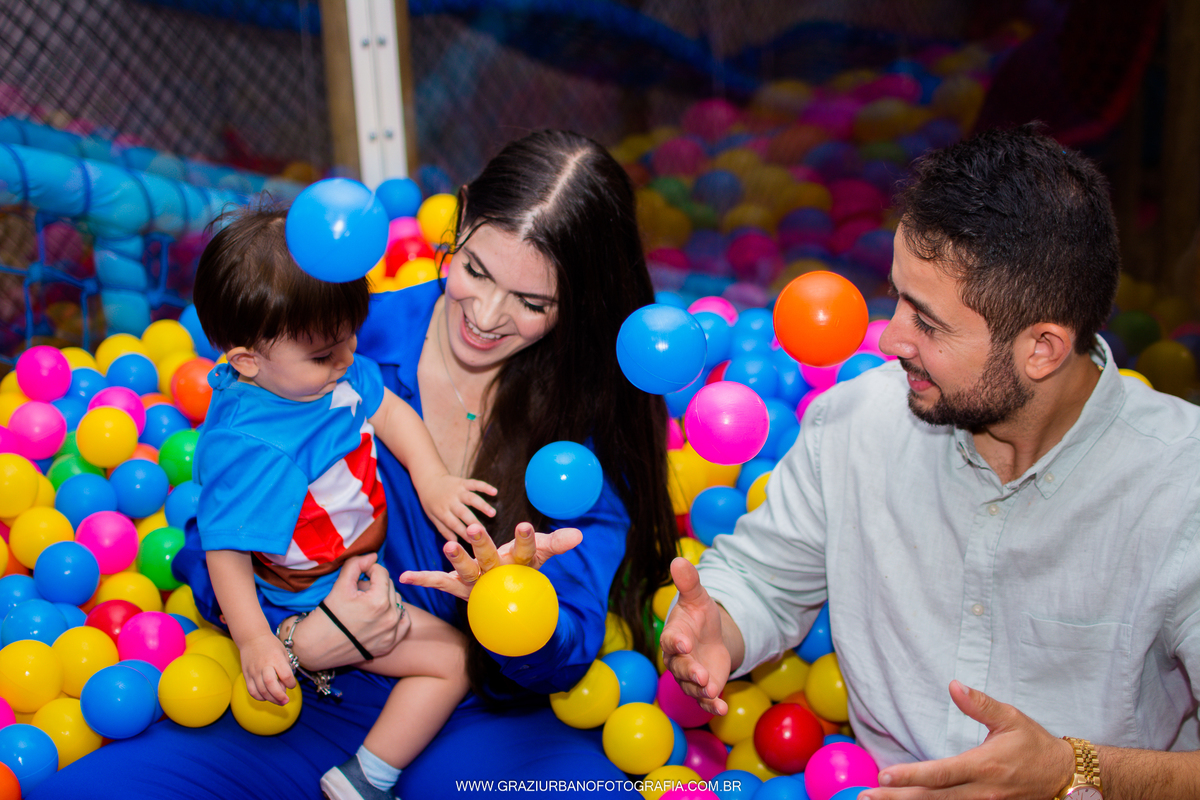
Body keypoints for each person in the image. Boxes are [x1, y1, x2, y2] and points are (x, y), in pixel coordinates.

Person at [32, 129, 677, 800]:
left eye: (532, 302)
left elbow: (567, 647)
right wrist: (294, 639)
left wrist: (516, 607)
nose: (486, 316)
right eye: (476, 270)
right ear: (459, 217)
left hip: (483, 714)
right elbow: (214, 536)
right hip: (306, 698)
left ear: (579, 303)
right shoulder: (337, 331)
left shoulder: (584, 429)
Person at [663, 124, 1200, 799]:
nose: (890, 339)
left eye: (929, 322)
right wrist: (720, 626)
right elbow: (762, 581)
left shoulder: (1180, 488)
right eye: (897, 298)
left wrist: (1074, 770)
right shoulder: (854, 424)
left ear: (1042, 349)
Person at [188, 207, 498, 800]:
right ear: (247, 360)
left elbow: (389, 411)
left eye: (349, 337)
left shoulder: (329, 370)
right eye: (323, 354)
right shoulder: (254, 446)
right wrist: (256, 639)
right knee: (455, 660)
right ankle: (365, 779)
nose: (347, 358)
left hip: (352, 558)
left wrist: (432, 479)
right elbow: (223, 547)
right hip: (310, 594)